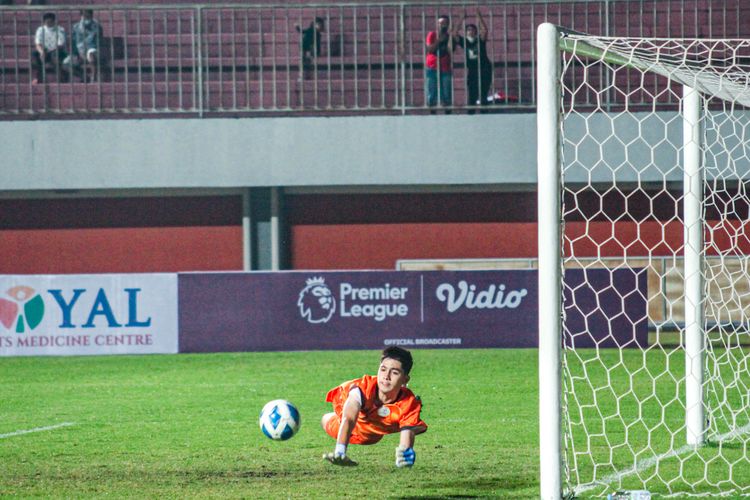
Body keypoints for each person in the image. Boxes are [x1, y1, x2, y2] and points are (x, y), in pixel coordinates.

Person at [321, 346, 427, 467]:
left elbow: (406, 435)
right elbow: (349, 419)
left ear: (405, 379)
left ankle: (409, 421)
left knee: (410, 421)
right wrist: (340, 451)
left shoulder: (408, 402)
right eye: (383, 369)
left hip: (373, 434)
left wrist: (405, 454)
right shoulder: (361, 388)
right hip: (349, 426)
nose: (386, 376)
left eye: (395, 372)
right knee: (325, 420)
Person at [458, 12, 492, 113]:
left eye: (472, 30)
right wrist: (461, 18)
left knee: (483, 94)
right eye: (468, 30)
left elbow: (485, 31)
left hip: (484, 69)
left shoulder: (479, 40)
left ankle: (484, 114)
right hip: (473, 71)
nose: (470, 32)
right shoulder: (465, 41)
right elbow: (454, 33)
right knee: (472, 94)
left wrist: (479, 17)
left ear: (476, 32)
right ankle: (471, 115)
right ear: (466, 32)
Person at [425, 15, 459, 112]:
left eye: (444, 23)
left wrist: (448, 37)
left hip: (445, 67)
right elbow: (430, 49)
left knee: (446, 93)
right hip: (432, 67)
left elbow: (450, 50)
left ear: (448, 25)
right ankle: (432, 113)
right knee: (432, 93)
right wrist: (440, 39)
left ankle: (448, 112)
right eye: (440, 23)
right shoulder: (432, 34)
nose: (442, 25)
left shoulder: (449, 36)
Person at [31, 12, 69, 84]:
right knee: (34, 55)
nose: (49, 23)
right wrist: (42, 51)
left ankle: (61, 79)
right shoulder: (40, 30)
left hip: (57, 51)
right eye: (47, 21)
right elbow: (38, 43)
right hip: (45, 51)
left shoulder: (60, 29)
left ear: (54, 21)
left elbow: (60, 45)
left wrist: (50, 51)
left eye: (50, 21)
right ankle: (38, 78)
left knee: (55, 56)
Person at [68, 9, 103, 82]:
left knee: (91, 55)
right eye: (84, 15)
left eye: (88, 15)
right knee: (66, 64)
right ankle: (85, 77)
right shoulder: (75, 27)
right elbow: (73, 41)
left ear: (91, 15)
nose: (86, 17)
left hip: (92, 48)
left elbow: (99, 41)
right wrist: (76, 53)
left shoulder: (97, 26)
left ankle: (94, 77)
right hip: (79, 50)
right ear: (81, 16)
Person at [295, 17, 325, 81]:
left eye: (320, 25)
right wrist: (297, 26)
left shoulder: (318, 34)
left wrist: (318, 52)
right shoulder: (310, 30)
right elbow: (301, 31)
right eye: (317, 24)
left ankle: (308, 75)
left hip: (310, 48)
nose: (319, 26)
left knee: (309, 62)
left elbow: (318, 44)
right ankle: (301, 76)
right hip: (304, 47)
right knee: (303, 61)